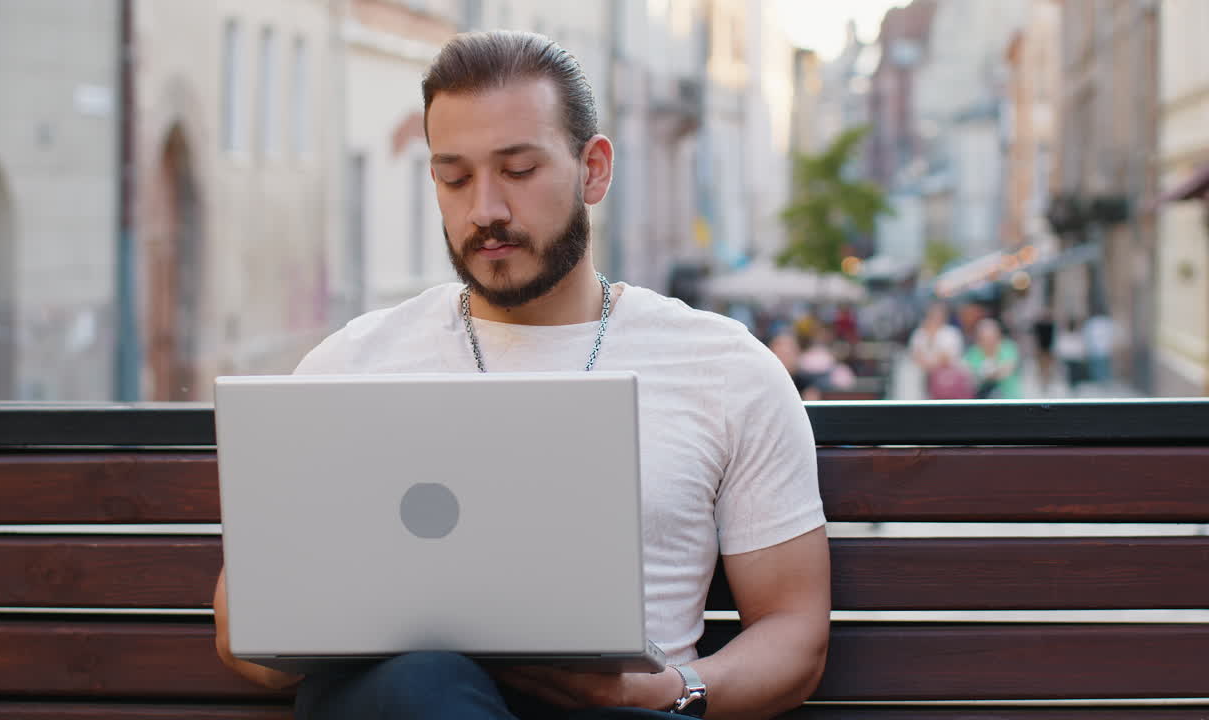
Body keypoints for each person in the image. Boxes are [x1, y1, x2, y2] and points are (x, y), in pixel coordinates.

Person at [212, 31, 830, 720]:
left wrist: (664, 691)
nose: (485, 210)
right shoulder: (352, 366)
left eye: (518, 170)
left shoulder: (723, 369)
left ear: (593, 169)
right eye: (454, 177)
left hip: (625, 715)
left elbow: (793, 633)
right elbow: (246, 645)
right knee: (419, 685)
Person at [909, 302, 969, 400]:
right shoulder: (919, 333)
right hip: (923, 376)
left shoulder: (952, 333)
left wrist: (933, 339)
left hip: (948, 379)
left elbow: (947, 358)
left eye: (939, 314)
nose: (935, 317)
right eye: (933, 314)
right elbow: (915, 356)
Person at [963, 318, 1022, 399]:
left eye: (991, 337)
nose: (989, 341)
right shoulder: (973, 353)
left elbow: (1007, 369)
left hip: (1009, 397)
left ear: (998, 335)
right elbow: (971, 377)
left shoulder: (1008, 347)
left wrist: (987, 373)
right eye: (984, 338)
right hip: (982, 399)